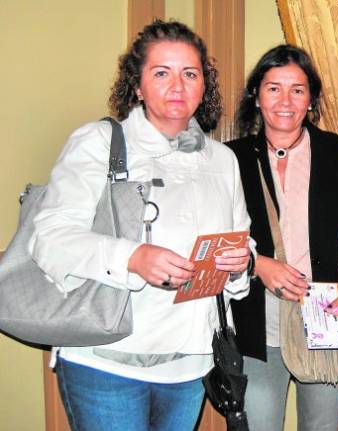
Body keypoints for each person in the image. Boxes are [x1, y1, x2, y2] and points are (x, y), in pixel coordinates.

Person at [29, 20, 252, 431]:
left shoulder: (223, 160)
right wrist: (132, 257)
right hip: (107, 361)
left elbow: (242, 242)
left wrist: (241, 263)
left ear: (205, 84)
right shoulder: (100, 142)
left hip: (190, 364)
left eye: (190, 73)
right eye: (161, 73)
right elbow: (50, 239)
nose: (178, 86)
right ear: (137, 85)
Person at [226, 44, 338, 431]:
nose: (285, 100)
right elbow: (210, 240)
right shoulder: (230, 158)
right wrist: (257, 264)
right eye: (273, 87)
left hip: (324, 320)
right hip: (256, 323)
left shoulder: (334, 152)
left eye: (297, 89)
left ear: (311, 99)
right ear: (256, 96)